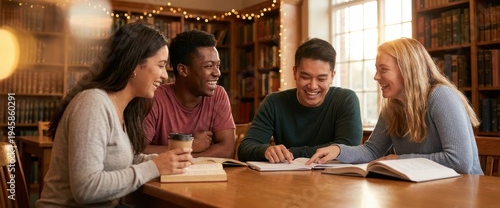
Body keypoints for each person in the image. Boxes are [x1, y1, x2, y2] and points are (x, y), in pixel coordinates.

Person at [36, 22, 193, 208]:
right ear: (134, 64)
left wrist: (167, 161)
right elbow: (86, 188)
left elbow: (121, 159)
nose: (165, 76)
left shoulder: (121, 107)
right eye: (160, 65)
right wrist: (154, 167)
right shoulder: (93, 104)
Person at [307, 37, 483, 174]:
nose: (376, 77)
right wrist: (338, 150)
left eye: (383, 69)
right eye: (376, 69)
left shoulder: (440, 96)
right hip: (423, 192)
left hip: (464, 192)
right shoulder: (393, 106)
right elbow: (372, 150)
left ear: (408, 69)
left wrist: (400, 160)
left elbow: (460, 161)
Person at [237, 38, 363, 162]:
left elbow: (348, 149)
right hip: (287, 179)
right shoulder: (274, 102)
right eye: (305, 77)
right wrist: (265, 151)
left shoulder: (346, 100)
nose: (313, 86)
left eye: (321, 79)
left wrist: (289, 153)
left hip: (334, 181)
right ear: (295, 73)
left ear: (332, 76)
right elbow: (245, 149)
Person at [143, 29, 235, 158]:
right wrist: (189, 145)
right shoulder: (154, 98)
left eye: (218, 66)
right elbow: (139, 151)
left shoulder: (218, 95)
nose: (217, 73)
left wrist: (182, 154)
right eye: (209, 66)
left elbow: (226, 150)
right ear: (183, 70)